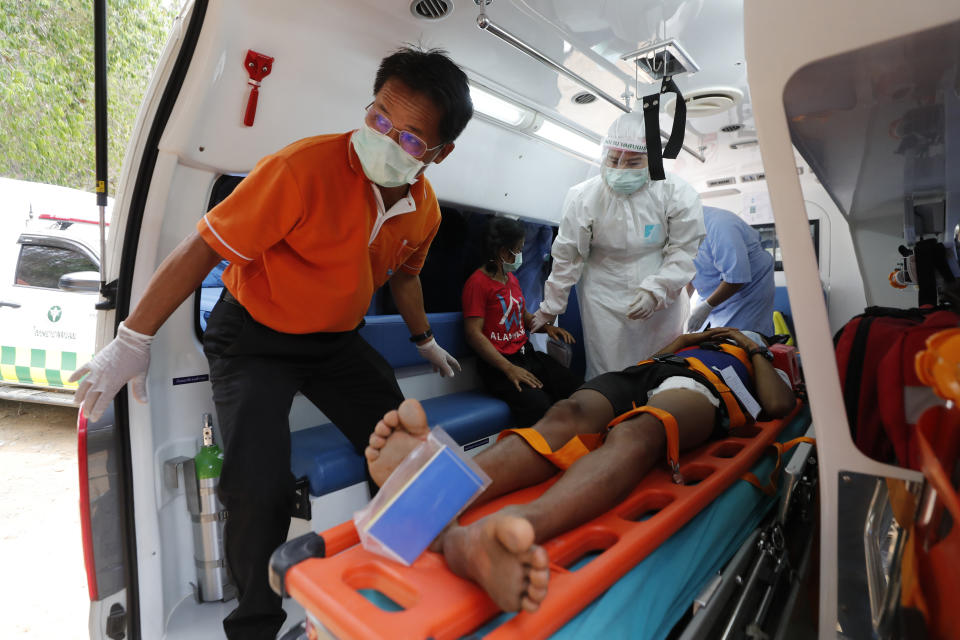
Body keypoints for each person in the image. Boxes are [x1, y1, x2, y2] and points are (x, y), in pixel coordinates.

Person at [69, 47, 473, 639]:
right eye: (380, 118)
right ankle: (256, 625)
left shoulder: (425, 211)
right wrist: (134, 336)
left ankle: (413, 571)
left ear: (440, 153)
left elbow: (407, 275)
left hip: (335, 343)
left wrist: (424, 340)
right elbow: (205, 245)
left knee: (408, 444)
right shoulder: (302, 169)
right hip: (253, 337)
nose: (386, 138)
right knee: (258, 483)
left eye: (410, 138)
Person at [365, 327, 796, 612]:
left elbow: (778, 405)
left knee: (640, 432)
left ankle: (506, 531)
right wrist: (688, 338)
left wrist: (749, 343)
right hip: (644, 374)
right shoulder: (695, 340)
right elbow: (655, 356)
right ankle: (428, 492)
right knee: (564, 414)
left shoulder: (758, 357)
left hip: (701, 387)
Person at [532, 111, 705, 379]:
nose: (621, 169)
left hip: (660, 290)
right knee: (607, 368)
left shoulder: (678, 194)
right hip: (602, 291)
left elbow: (683, 252)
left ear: (653, 160)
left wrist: (656, 291)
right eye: (614, 160)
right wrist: (551, 307)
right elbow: (568, 255)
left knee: (659, 367)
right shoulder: (583, 196)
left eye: (633, 162)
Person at [462, 217, 583, 426]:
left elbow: (521, 315)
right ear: (503, 252)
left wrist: (546, 328)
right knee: (539, 405)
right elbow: (473, 334)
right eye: (518, 249)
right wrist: (509, 369)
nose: (520, 255)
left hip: (525, 355)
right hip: (499, 365)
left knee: (571, 385)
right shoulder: (477, 284)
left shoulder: (511, 279)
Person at [687, 207, 776, 334]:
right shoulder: (680, 232)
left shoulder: (720, 225)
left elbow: (736, 278)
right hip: (710, 297)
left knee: (739, 342)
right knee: (697, 340)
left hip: (745, 295)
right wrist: (683, 307)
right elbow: (688, 274)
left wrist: (706, 307)